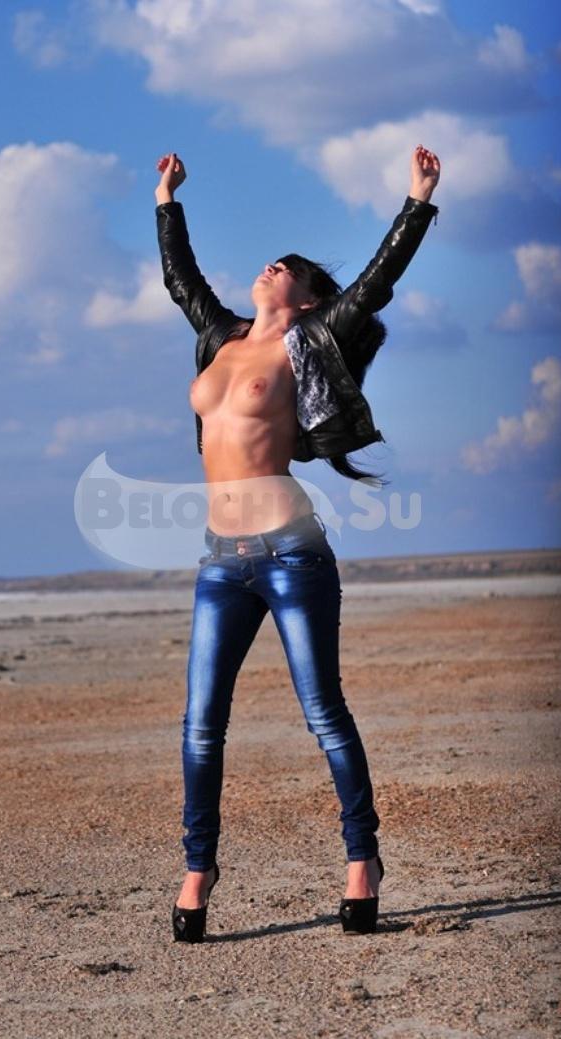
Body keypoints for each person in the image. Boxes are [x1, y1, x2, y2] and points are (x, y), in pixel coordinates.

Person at [155, 146, 441, 942]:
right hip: (221, 560)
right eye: (272, 260)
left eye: (292, 268)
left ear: (311, 299)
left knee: (323, 712)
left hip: (290, 549)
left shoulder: (307, 343)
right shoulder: (221, 337)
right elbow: (182, 282)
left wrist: (417, 201)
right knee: (201, 723)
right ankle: (199, 868)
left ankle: (362, 858)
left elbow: (377, 282)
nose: (273, 265)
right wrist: (167, 201)